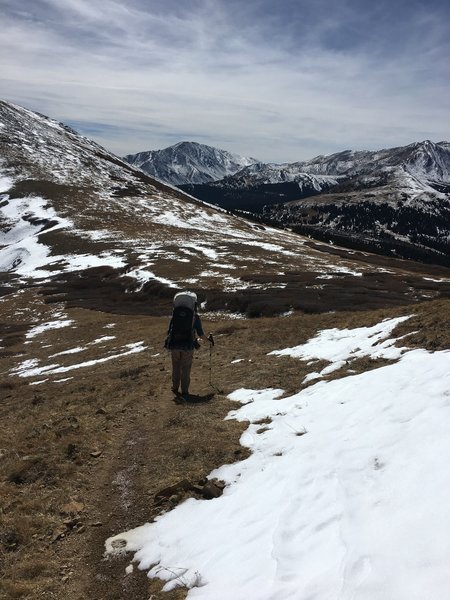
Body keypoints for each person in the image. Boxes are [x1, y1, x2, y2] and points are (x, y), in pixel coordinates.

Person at [165, 291, 213, 398]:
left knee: (176, 366)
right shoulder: (194, 317)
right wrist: (209, 341)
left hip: (174, 345)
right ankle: (185, 391)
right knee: (186, 368)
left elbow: (169, 331)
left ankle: (175, 387)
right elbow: (200, 334)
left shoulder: (175, 315)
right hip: (188, 346)